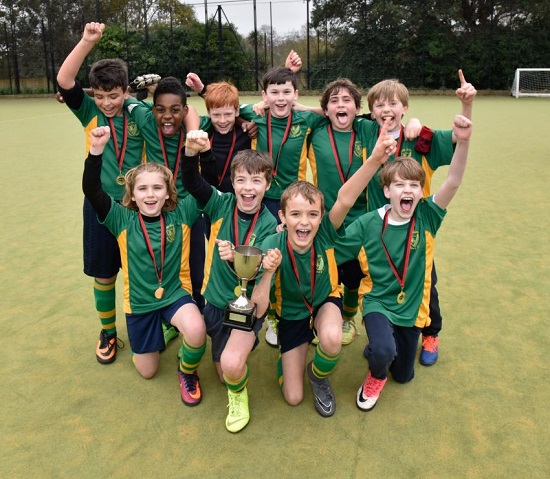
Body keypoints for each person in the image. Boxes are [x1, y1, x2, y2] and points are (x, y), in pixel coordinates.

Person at [250, 120, 397, 418]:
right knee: (292, 397)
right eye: (296, 214)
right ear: (282, 216)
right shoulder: (270, 242)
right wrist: (267, 272)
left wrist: (375, 160)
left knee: (331, 338)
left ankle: (318, 376)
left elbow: (345, 197)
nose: (304, 222)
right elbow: (257, 308)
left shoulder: (326, 233)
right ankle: (289, 357)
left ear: (320, 217)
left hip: (323, 303)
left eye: (312, 214)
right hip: (290, 314)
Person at [337, 114, 473, 411]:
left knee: (403, 376)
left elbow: (454, 180)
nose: (407, 191)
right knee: (383, 354)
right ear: (387, 191)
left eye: (413, 185)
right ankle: (375, 373)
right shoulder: (367, 222)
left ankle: (384, 351)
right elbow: (335, 250)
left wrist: (462, 141)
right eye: (399, 185)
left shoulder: (426, 216)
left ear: (419, 191)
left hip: (410, 307)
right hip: (377, 302)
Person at [82, 126, 207, 406]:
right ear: (133, 194)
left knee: (197, 331)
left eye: (157, 188)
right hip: (139, 304)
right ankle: (159, 333)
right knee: (147, 371)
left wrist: (191, 153)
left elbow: (201, 185)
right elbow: (92, 188)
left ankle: (187, 371)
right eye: (143, 189)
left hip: (175, 295)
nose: (150, 195)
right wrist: (96, 150)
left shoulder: (182, 213)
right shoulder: (120, 219)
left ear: (167, 193)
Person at [361, 70, 476, 366]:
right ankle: (380, 334)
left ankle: (431, 333)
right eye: (379, 105)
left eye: (393, 104)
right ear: (371, 111)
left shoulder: (421, 137)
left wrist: (466, 105)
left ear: (405, 107)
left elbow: (459, 136)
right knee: (375, 282)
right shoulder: (363, 134)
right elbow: (333, 113)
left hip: (416, 230)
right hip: (379, 230)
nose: (386, 110)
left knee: (426, 284)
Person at [57, 22, 145, 364]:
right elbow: (65, 81)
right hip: (99, 204)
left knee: (140, 272)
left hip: (138, 208)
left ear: (125, 90)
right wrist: (86, 42)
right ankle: (108, 331)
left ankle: (146, 325)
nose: (108, 102)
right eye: (102, 95)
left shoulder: (140, 114)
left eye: (114, 95)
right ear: (94, 93)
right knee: (105, 273)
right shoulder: (89, 111)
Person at [181, 131, 278, 433]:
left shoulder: (271, 226)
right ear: (233, 183)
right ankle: (210, 360)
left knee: (232, 370)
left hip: (246, 310)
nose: (248, 188)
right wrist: (189, 153)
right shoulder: (221, 204)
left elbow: (260, 298)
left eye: (256, 181)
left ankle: (239, 398)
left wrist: (234, 258)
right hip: (214, 301)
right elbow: (192, 183)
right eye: (241, 180)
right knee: (223, 369)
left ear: (268, 185)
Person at [124, 76, 206, 312]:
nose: (167, 116)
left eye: (175, 110)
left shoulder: (197, 125)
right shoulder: (146, 118)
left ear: (184, 110)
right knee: (160, 268)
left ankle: (197, 308)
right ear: (152, 109)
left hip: (189, 209)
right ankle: (164, 315)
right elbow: (123, 97)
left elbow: (227, 114)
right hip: (158, 209)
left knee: (195, 266)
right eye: (160, 110)